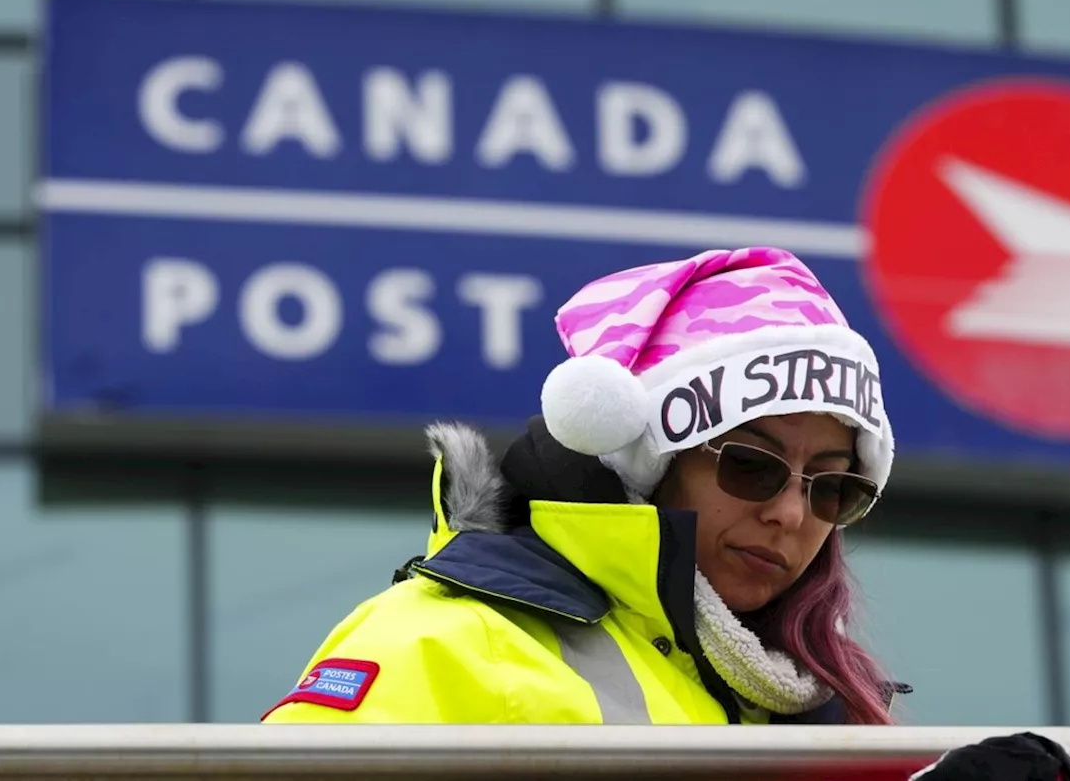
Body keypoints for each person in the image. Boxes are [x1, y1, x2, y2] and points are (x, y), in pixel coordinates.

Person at [261, 246, 905, 725]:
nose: (790, 513)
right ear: (645, 461)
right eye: (751, 465)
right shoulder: (444, 642)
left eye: (832, 488)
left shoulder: (822, 704)